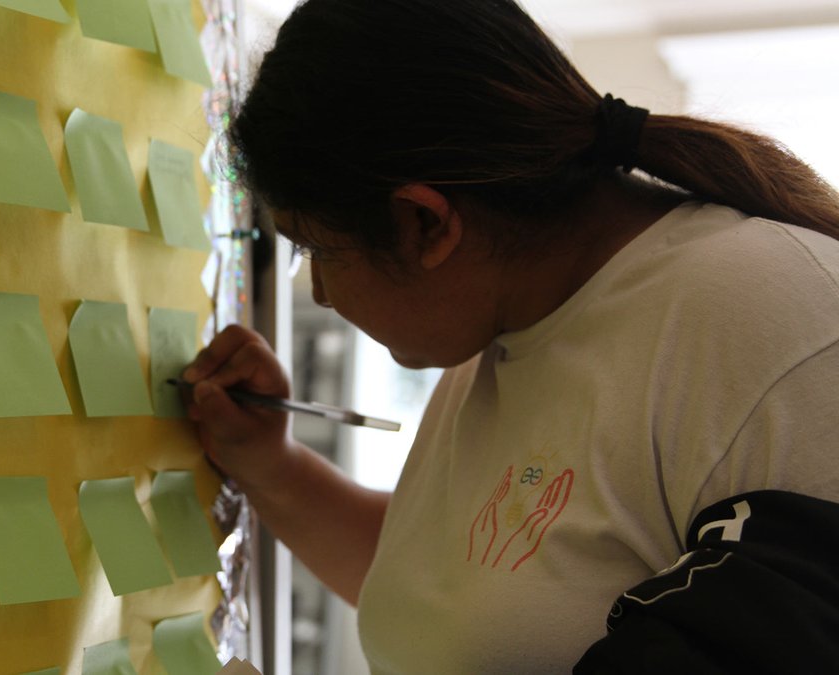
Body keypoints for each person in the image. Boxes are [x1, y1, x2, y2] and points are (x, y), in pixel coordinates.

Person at [179, 0, 839, 672]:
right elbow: (468, 603)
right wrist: (272, 465)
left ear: (425, 224)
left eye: (316, 248)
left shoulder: (772, 322)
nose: (319, 291)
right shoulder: (504, 313)